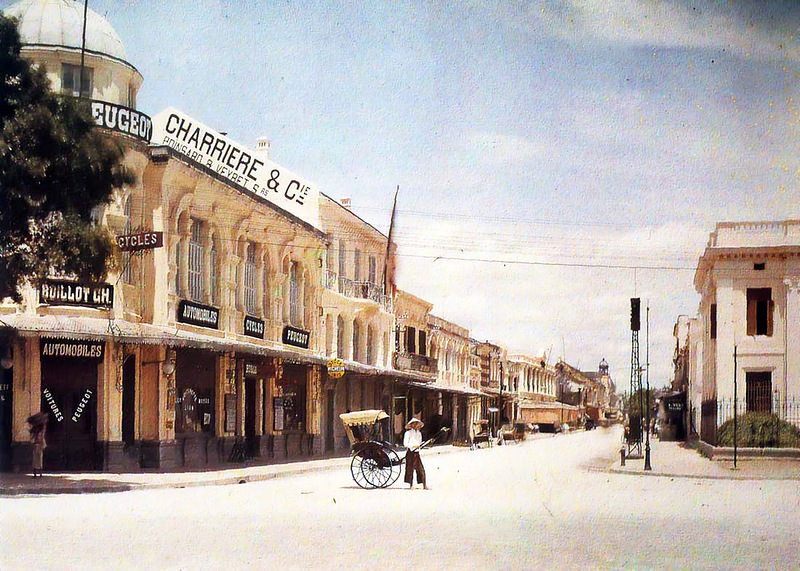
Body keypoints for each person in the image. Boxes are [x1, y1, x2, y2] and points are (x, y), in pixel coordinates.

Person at [403, 417, 427, 490]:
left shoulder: (419, 433)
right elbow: (405, 443)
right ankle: (411, 485)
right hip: (410, 452)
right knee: (410, 469)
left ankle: (424, 485)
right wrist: (412, 446)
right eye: (415, 424)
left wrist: (419, 446)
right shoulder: (408, 433)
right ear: (412, 425)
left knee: (421, 469)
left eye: (417, 424)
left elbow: (419, 442)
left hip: (417, 453)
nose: (416, 425)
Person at [27, 411, 48, 478]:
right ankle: (39, 474)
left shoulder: (37, 430)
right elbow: (41, 436)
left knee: (36, 459)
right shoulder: (39, 430)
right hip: (39, 444)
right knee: (39, 459)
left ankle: (36, 474)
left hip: (37, 444)